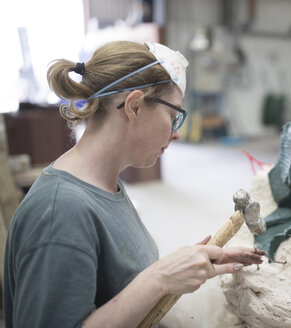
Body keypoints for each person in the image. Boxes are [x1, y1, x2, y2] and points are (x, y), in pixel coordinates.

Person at [3, 40, 266, 327]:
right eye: (172, 116)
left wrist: (192, 265)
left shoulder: (105, 185)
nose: (176, 133)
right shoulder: (59, 213)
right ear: (135, 106)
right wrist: (160, 278)